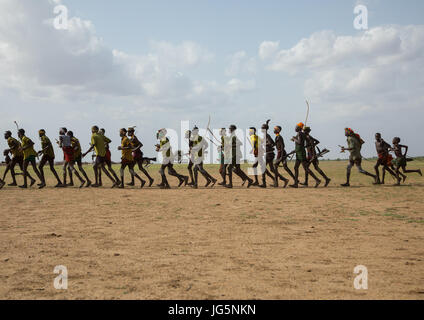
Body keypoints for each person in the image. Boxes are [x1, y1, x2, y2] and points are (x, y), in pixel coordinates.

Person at [290, 123, 321, 188]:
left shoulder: (300, 133)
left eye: (296, 127)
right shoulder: (302, 134)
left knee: (306, 168)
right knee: (296, 167)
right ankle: (296, 183)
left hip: (301, 153)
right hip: (298, 153)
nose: (295, 128)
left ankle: (317, 180)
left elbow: (300, 142)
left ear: (299, 128)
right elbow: (306, 141)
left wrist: (294, 139)